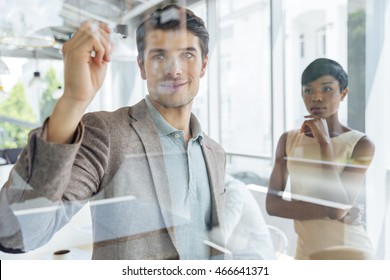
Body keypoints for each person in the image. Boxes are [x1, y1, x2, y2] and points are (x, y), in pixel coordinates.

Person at [0, 4, 226, 260]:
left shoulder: (215, 153)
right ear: (141, 66)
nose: (174, 70)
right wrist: (73, 101)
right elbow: (15, 234)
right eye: (159, 56)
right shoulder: (106, 134)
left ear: (204, 65)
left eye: (187, 55)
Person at [266, 58, 376, 260]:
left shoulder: (361, 144)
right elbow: (272, 205)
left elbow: (338, 208)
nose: (316, 97)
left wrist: (325, 143)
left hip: (351, 253)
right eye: (308, 90)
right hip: (306, 252)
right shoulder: (287, 140)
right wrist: (331, 208)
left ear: (343, 93)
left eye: (326, 89)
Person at [208, 175, 275, 260]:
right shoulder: (231, 188)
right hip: (240, 254)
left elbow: (221, 237)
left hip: (256, 258)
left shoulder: (235, 193)